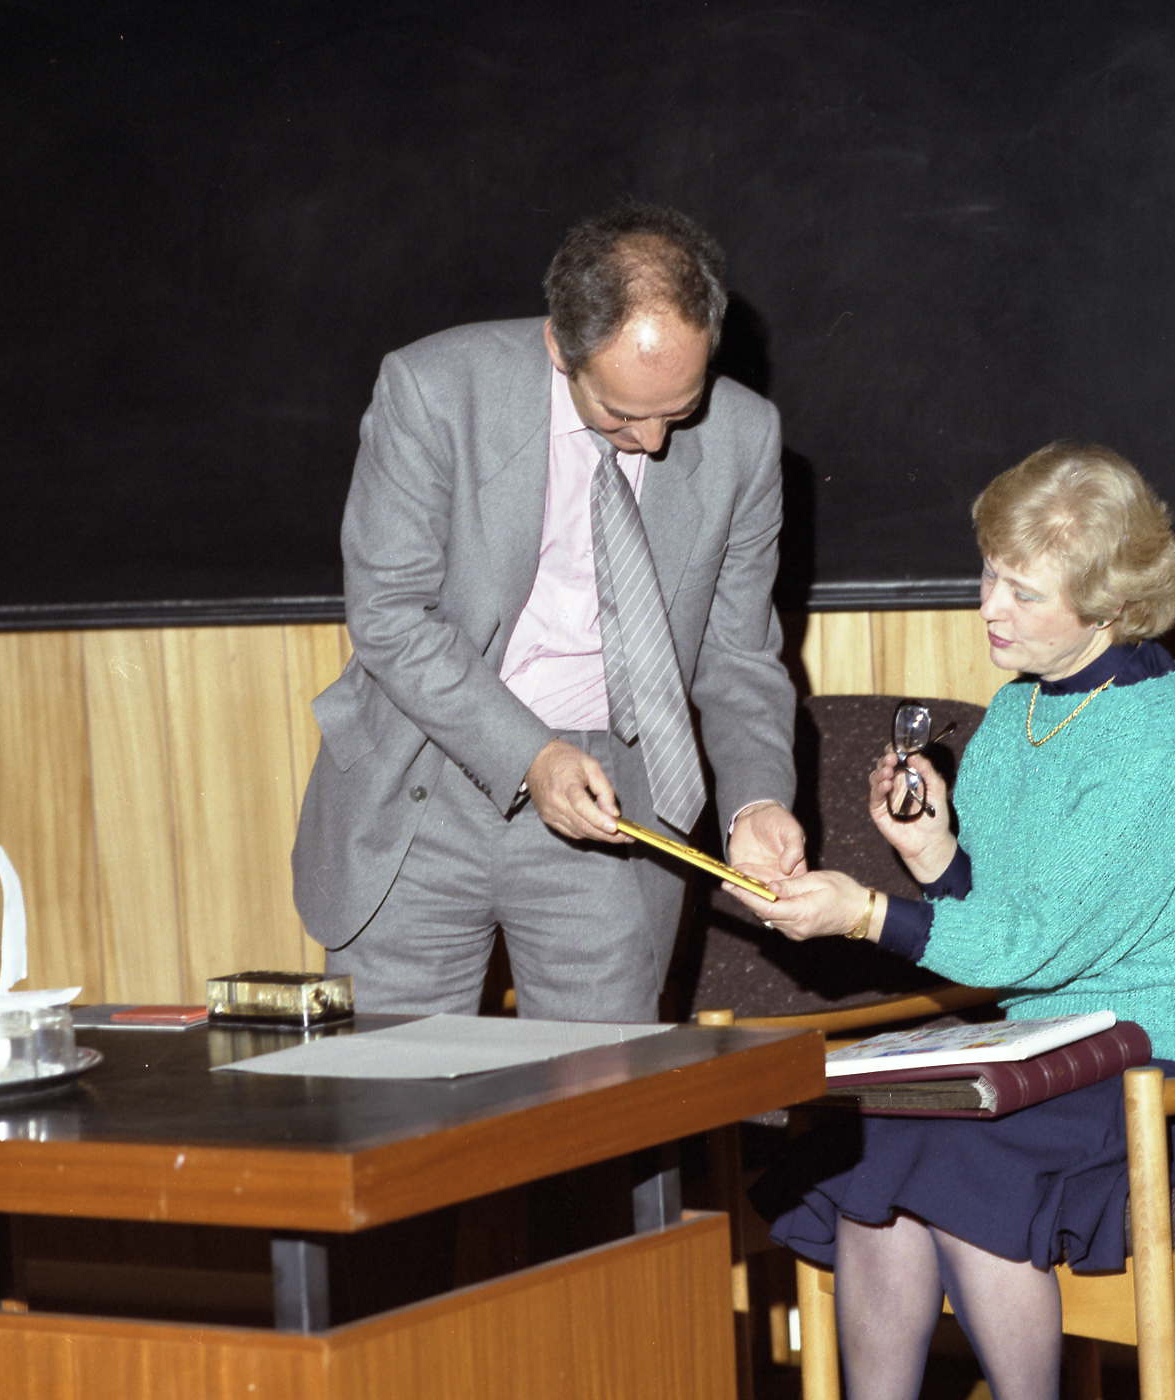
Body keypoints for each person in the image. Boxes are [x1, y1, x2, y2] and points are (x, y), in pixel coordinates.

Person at [739, 441, 1175, 1400]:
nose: (987, 606)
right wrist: (931, 855)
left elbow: (1037, 942)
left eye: (1021, 589)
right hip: (1061, 1051)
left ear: (1107, 606)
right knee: (873, 1129)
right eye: (988, 572)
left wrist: (870, 910)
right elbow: (998, 916)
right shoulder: (1018, 714)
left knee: (963, 1148)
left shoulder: (1170, 736)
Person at [293, 202, 805, 1020]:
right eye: (621, 413)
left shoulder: (744, 437)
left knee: (601, 1091)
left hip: (612, 807)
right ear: (560, 348)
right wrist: (530, 755)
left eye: (679, 409)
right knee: (395, 1087)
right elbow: (391, 614)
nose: (654, 442)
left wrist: (757, 800)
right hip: (421, 781)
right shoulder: (434, 391)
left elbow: (737, 655)